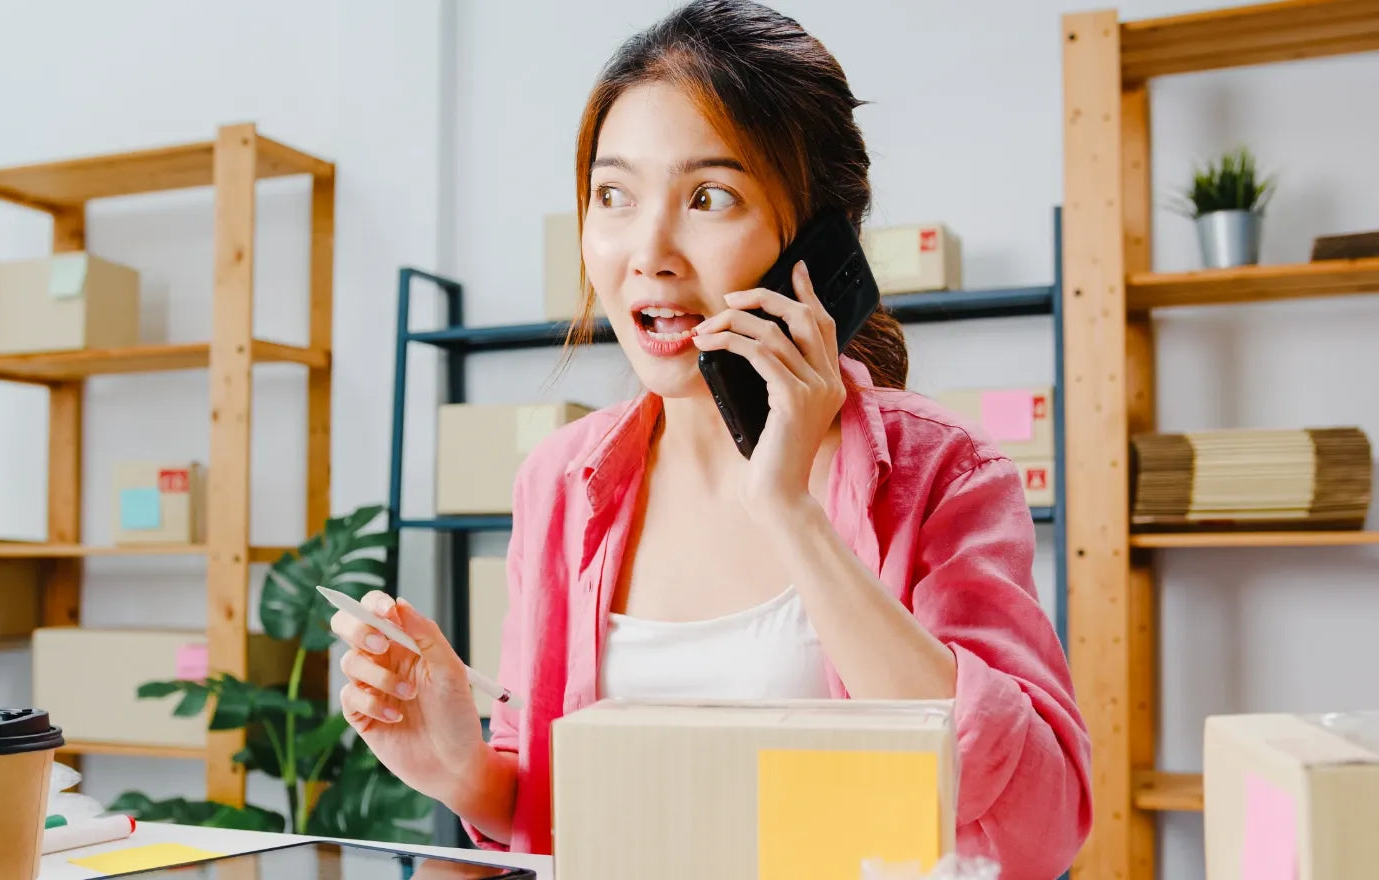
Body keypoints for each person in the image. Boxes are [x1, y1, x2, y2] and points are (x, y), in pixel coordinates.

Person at [330, 1, 1092, 876]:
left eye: (709, 197)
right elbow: (561, 816)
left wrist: (789, 509)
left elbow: (1043, 822)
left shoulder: (942, 472)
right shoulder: (561, 481)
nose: (648, 251)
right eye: (612, 194)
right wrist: (468, 776)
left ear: (816, 240)